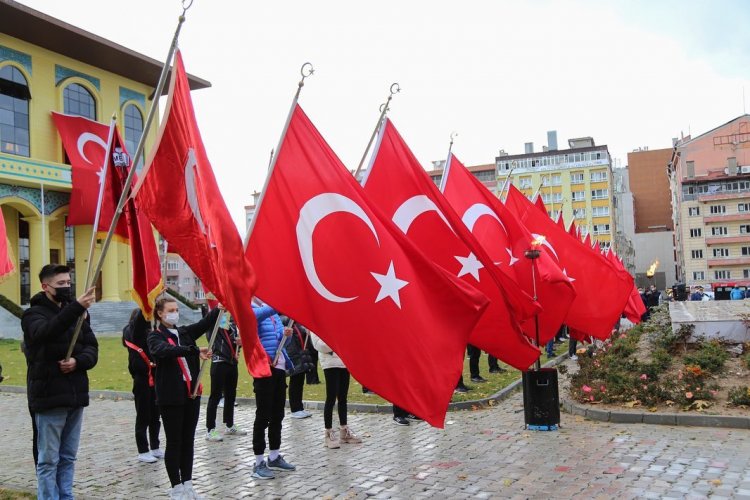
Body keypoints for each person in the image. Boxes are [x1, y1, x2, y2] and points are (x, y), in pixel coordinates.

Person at [21, 264, 97, 500]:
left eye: (68, 282)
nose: (66, 287)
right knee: (48, 459)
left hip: (75, 394)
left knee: (68, 456)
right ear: (45, 287)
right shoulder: (33, 315)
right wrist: (75, 308)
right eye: (60, 284)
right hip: (49, 396)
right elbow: (45, 333)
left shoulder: (79, 314)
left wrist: (78, 361)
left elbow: (92, 348)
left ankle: (66, 495)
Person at [148, 296, 217, 499]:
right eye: (170, 310)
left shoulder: (184, 332)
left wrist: (219, 307)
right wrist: (194, 350)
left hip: (191, 394)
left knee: (188, 441)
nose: (174, 313)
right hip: (171, 396)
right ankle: (176, 487)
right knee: (175, 441)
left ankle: (188, 484)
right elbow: (164, 351)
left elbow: (205, 323)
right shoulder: (155, 336)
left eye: (176, 309)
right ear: (160, 313)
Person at [251, 300, 297, 480]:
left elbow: (279, 343)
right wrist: (279, 302)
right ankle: (258, 462)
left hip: (279, 367)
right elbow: (253, 318)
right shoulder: (252, 307)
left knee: (278, 414)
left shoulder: (273, 314)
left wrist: (287, 335)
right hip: (264, 368)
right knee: (263, 415)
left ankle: (274, 456)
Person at [122, 309, 163, 463]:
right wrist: (146, 302)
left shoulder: (150, 333)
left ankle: (155, 447)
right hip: (142, 380)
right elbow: (138, 324)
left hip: (155, 378)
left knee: (155, 415)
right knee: (143, 416)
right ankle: (143, 450)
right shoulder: (133, 333)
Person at [310, 333, 362, 448]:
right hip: (330, 363)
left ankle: (344, 430)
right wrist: (338, 343)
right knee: (331, 398)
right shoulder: (316, 323)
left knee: (343, 397)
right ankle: (328, 433)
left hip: (343, 361)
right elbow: (319, 345)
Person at [205, 313, 246, 442]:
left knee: (231, 395)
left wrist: (239, 343)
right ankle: (210, 429)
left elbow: (234, 340)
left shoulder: (233, 322)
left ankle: (229, 425)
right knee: (215, 396)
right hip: (219, 361)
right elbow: (213, 336)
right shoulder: (215, 321)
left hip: (232, 362)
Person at [282, 317, 313, 419]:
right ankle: (295, 409)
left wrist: (306, 332)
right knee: (295, 383)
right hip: (293, 356)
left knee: (299, 382)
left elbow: (301, 335)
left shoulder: (296, 322)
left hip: (300, 355)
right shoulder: (286, 321)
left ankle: (299, 407)